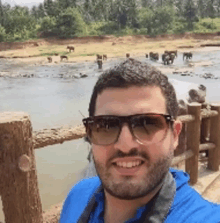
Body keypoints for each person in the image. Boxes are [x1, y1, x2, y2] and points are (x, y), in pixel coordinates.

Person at [60, 58, 220, 223]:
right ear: (90, 135)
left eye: (147, 124)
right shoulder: (77, 197)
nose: (125, 145)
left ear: (175, 135)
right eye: (106, 125)